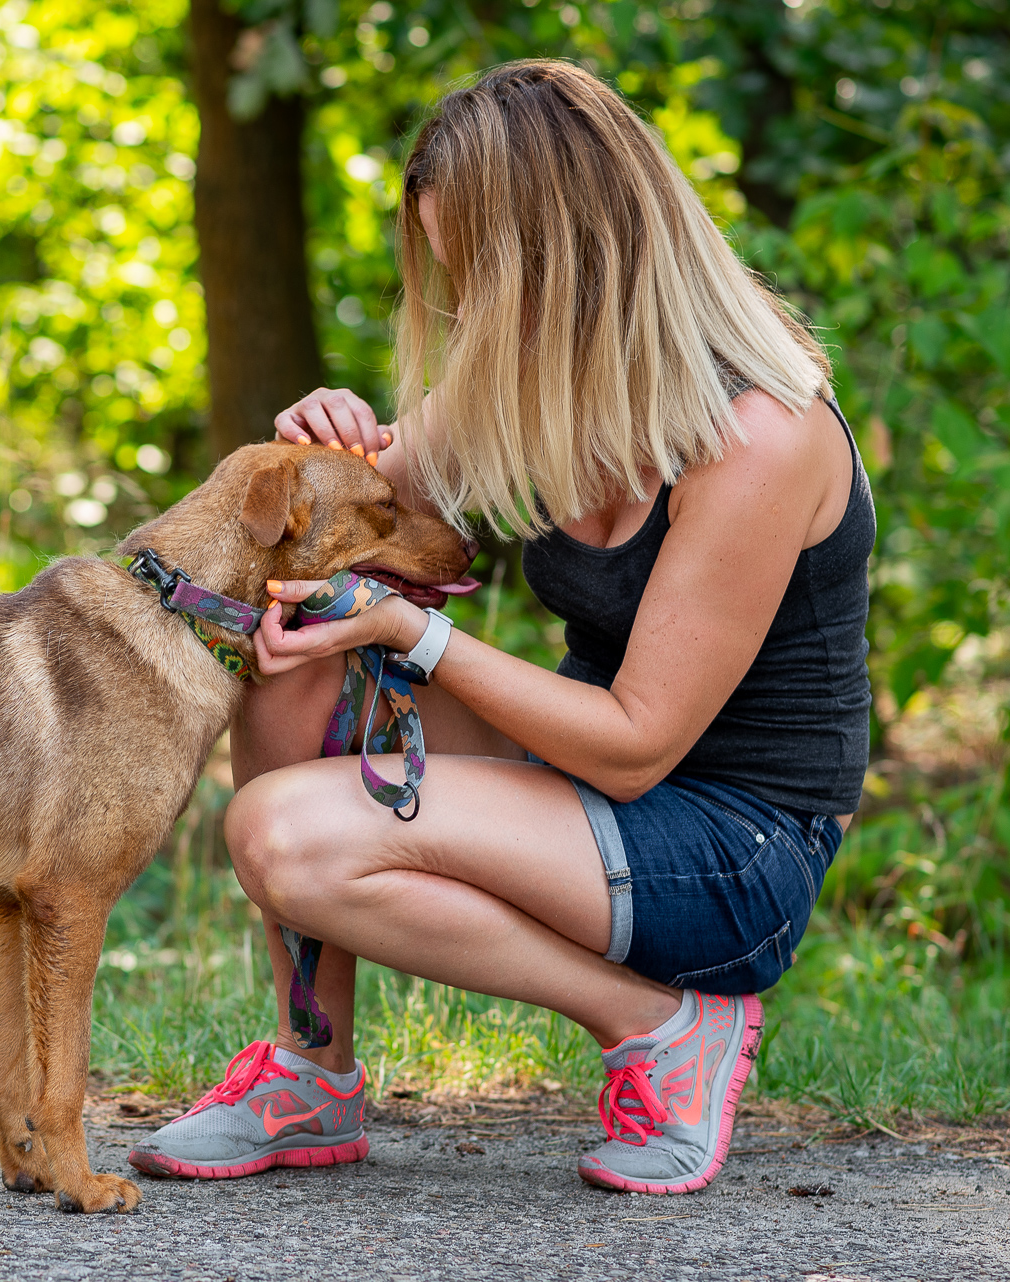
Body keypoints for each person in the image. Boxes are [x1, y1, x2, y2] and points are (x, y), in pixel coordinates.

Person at [128, 59, 871, 1195]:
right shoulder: (536, 378)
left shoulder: (759, 433)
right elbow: (366, 517)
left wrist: (405, 633)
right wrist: (327, 449)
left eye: (481, 270)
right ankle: (312, 1073)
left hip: (732, 849)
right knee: (295, 643)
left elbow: (637, 741)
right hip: (594, 795)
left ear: (570, 254)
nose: (465, 305)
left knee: (287, 834)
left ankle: (665, 1026)